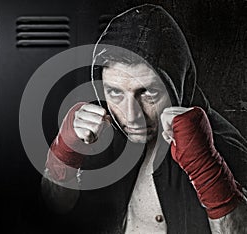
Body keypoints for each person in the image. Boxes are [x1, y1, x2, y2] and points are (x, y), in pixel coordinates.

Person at [41, 4, 247, 234]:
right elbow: (55, 205)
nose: (132, 116)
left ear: (177, 86)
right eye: (115, 93)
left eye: (148, 93)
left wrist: (206, 168)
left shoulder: (219, 143)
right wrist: (64, 152)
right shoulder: (102, 129)